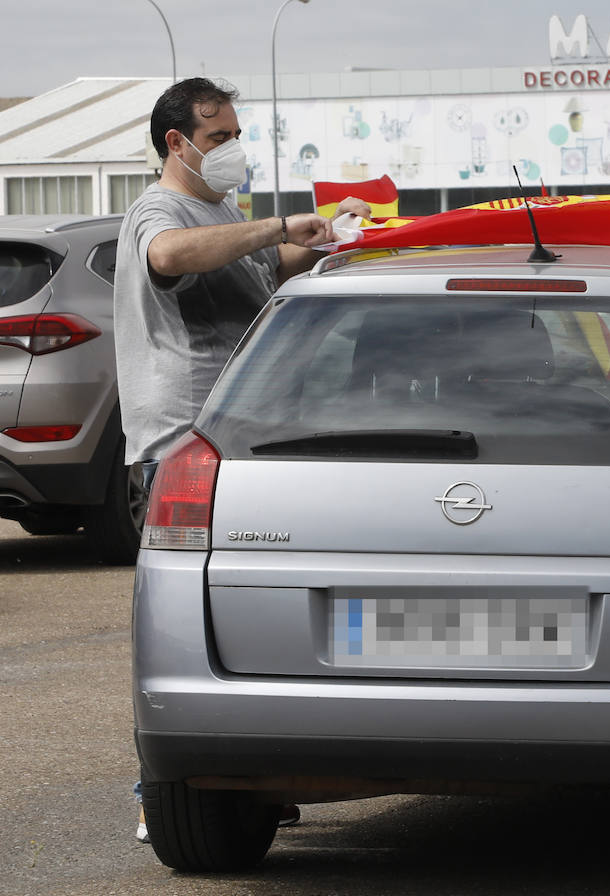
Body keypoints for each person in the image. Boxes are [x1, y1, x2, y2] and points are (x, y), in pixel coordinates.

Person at [117, 77, 368, 844]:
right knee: (183, 629)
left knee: (252, 618)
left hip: (241, 449)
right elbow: (172, 256)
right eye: (219, 137)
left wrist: (324, 241)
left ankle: (250, 777)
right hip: (180, 454)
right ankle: (163, 792)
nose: (231, 149)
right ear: (177, 142)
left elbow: (260, 273)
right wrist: (274, 227)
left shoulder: (219, 209)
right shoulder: (158, 212)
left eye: (233, 134)